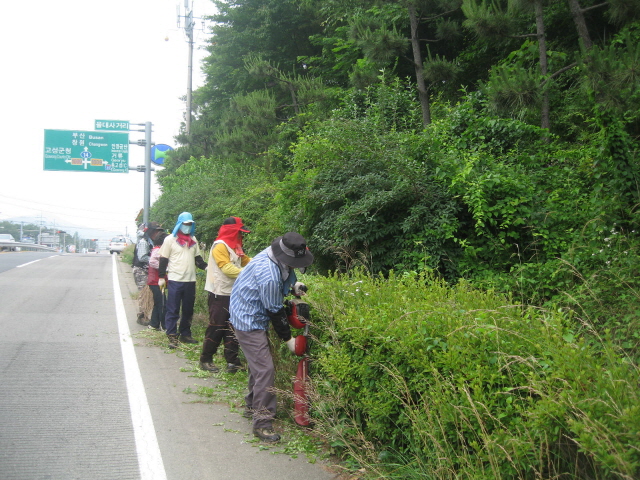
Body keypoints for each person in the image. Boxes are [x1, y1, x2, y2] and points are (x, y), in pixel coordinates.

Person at [229, 232, 314, 443]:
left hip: (254, 312)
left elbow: (285, 274)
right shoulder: (268, 273)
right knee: (265, 370)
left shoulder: (275, 256)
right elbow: (275, 310)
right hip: (248, 319)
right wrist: (289, 341)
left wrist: (293, 287)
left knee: (258, 365)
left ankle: (251, 406)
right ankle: (262, 424)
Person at [199, 217, 252, 374]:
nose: (240, 236)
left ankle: (232, 362)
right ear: (232, 232)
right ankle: (206, 359)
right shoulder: (220, 246)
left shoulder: (235, 247)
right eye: (239, 233)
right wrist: (250, 273)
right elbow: (227, 268)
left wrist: (259, 265)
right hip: (219, 293)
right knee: (216, 327)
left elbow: (246, 261)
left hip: (233, 293)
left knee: (232, 328)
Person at [158, 212, 208, 349]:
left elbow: (198, 259)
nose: (188, 227)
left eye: (190, 224)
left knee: (188, 309)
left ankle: (185, 333)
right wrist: (161, 277)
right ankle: (172, 335)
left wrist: (207, 267)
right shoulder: (170, 240)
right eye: (186, 224)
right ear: (180, 224)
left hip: (190, 280)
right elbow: (163, 259)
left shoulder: (193, 240)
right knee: (172, 309)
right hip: (175, 279)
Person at [145, 222, 168, 331]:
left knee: (159, 302)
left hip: (156, 281)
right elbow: (152, 262)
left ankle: (154, 324)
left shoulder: (158, 248)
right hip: (156, 281)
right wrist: (164, 268)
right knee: (162, 304)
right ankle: (164, 326)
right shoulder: (158, 250)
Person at [133, 223, 153, 325]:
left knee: (146, 294)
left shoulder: (148, 241)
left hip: (143, 270)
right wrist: (154, 259)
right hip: (140, 271)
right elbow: (142, 257)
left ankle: (144, 315)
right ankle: (142, 316)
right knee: (143, 294)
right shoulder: (144, 242)